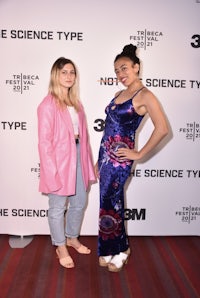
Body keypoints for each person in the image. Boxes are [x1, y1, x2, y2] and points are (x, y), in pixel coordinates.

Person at [95, 44, 169, 272]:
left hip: (120, 161)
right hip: (107, 157)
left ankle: (121, 248)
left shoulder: (145, 95)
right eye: (117, 70)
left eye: (125, 68)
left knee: (111, 201)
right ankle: (110, 247)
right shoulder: (119, 94)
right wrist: (100, 159)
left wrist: (138, 153)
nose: (121, 74)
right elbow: (109, 128)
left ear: (137, 67)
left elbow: (163, 128)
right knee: (107, 202)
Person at [37, 57, 96, 269]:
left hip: (79, 153)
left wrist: (88, 163)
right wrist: (51, 171)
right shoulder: (47, 104)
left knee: (79, 201)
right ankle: (60, 246)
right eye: (64, 72)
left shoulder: (76, 103)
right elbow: (44, 142)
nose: (69, 76)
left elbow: (85, 136)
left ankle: (71, 237)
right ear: (56, 75)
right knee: (57, 206)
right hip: (60, 159)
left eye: (72, 72)